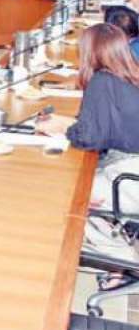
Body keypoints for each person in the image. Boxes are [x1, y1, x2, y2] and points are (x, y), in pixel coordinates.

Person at [36, 24, 139, 212]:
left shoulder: (103, 80)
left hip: (128, 179)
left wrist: (64, 128)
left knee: (60, 189)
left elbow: (90, 139)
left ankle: (99, 229)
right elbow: (110, 126)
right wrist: (65, 122)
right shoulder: (130, 74)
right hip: (129, 169)